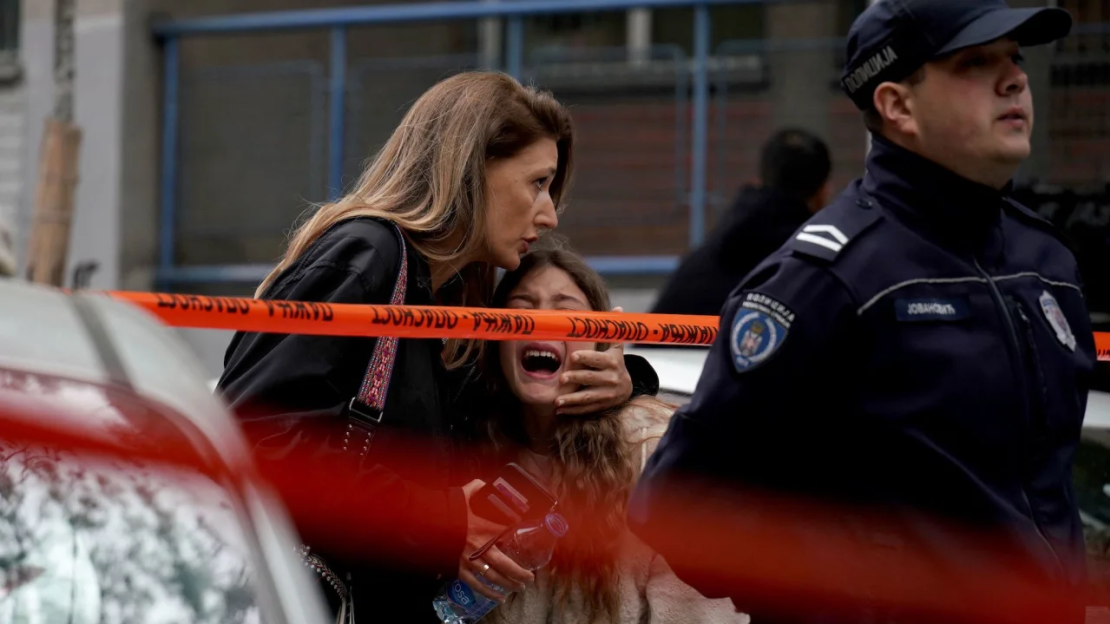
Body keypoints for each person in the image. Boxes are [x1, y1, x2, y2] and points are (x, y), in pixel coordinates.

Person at [628, 2, 1097, 623]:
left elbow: (1044, 488)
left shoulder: (1047, 263)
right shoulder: (826, 279)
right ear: (897, 106)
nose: (1014, 79)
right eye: (974, 62)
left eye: (1015, 58)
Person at [215, 71, 638, 623]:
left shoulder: (448, 291)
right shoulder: (367, 255)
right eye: (537, 183)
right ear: (473, 169)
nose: (549, 214)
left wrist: (626, 379)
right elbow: (256, 440)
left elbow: (499, 400)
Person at [462, 245, 747, 624]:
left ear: (604, 341)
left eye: (567, 314)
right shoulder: (465, 445)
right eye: (521, 310)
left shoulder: (651, 451)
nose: (542, 324)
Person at [650, 128, 832, 319]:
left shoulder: (742, 221)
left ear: (760, 179)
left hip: (654, 342)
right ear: (822, 192)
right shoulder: (802, 251)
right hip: (689, 346)